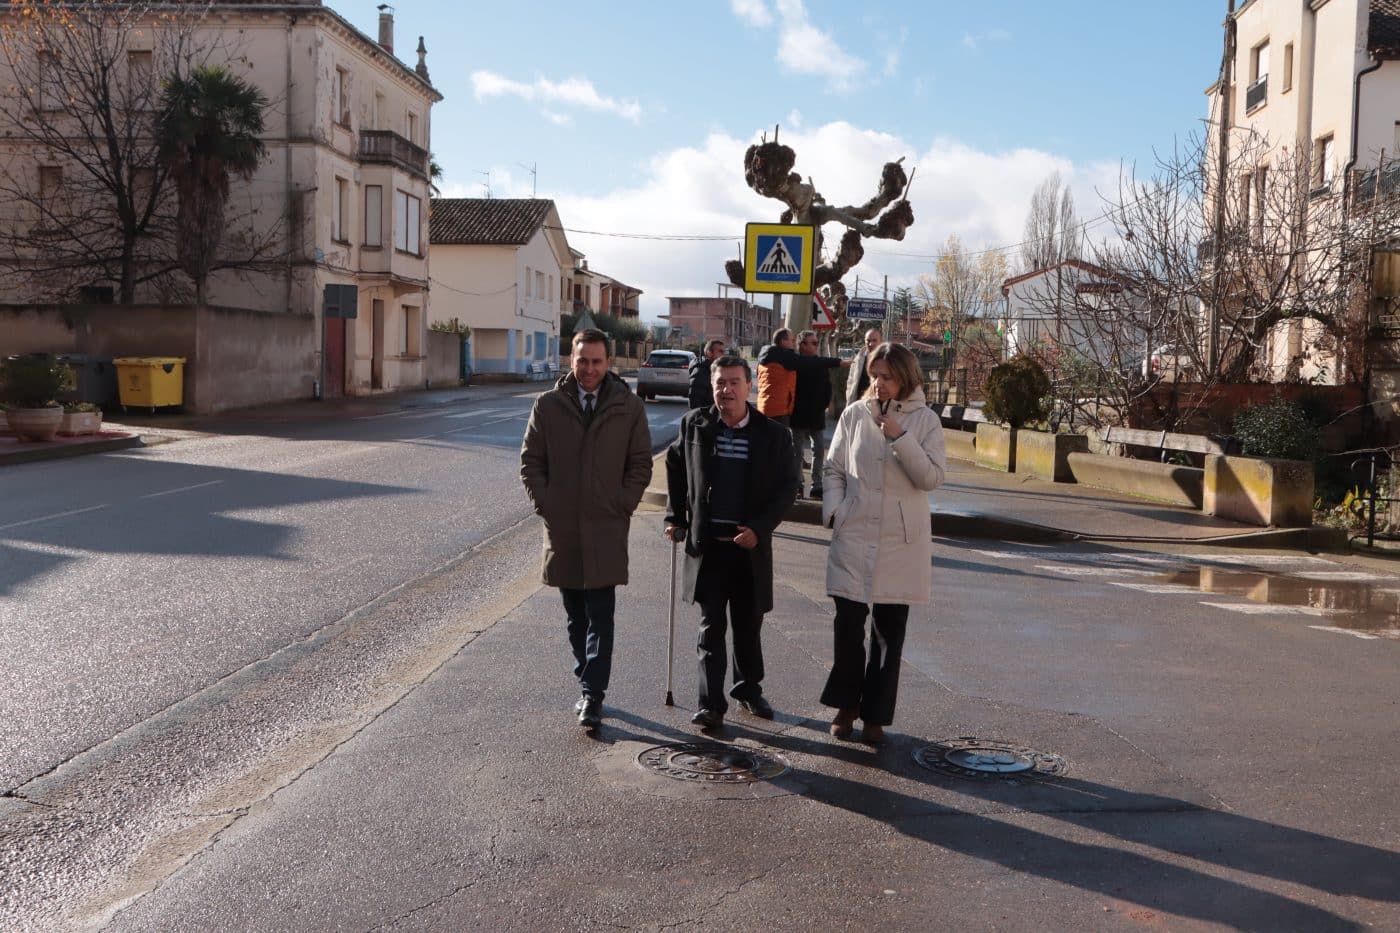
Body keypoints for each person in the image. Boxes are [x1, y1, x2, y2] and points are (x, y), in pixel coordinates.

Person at [520, 328, 652, 730]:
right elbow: (531, 462)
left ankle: (593, 694)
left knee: (601, 614)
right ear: (571, 360)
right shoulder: (548, 405)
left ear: (608, 362)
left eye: (596, 361)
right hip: (564, 529)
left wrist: (623, 504)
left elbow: (640, 463)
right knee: (575, 616)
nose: (589, 369)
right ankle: (586, 679)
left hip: (607, 526)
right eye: (582, 361)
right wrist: (548, 505)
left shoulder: (629, 407)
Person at [821, 342, 946, 745]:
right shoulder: (854, 414)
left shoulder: (926, 421)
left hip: (900, 541)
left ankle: (875, 715)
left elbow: (931, 478)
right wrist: (835, 510)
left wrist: (900, 436)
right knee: (847, 626)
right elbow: (833, 467)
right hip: (854, 531)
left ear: (905, 377)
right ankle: (846, 706)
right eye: (874, 375)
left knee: (888, 635)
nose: (879, 383)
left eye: (887, 376)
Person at [664, 356, 798, 731]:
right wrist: (675, 517)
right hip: (708, 546)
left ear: (749, 386)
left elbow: (788, 488)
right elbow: (674, 464)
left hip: (748, 547)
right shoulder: (695, 424)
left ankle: (748, 689)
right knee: (710, 627)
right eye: (720, 383)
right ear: (712, 386)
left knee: (748, 624)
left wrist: (761, 527)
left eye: (734, 382)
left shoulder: (773, 434)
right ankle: (710, 704)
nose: (727, 390)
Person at [790, 329, 845, 500]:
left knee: (819, 450)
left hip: (816, 414)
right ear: (802, 345)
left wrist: (824, 405)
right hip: (798, 414)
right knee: (797, 451)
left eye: (816, 343)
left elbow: (827, 386)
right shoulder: (795, 362)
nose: (816, 346)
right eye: (813, 343)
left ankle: (817, 484)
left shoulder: (820, 364)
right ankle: (797, 484)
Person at [756, 328, 798, 426]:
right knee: (779, 435)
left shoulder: (763, 356)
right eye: (792, 340)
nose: (794, 343)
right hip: (778, 411)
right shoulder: (785, 357)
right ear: (783, 341)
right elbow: (810, 362)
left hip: (763, 406)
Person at [845, 327, 883, 404]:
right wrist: (849, 397)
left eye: (874, 340)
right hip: (858, 401)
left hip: (878, 401)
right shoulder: (858, 358)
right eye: (868, 340)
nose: (871, 344)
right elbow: (851, 381)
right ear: (864, 341)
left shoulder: (887, 359)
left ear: (881, 341)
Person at [687, 338, 727, 409]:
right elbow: (695, 403)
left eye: (724, 352)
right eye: (720, 351)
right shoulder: (700, 372)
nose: (723, 355)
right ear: (709, 353)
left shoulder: (714, 370)